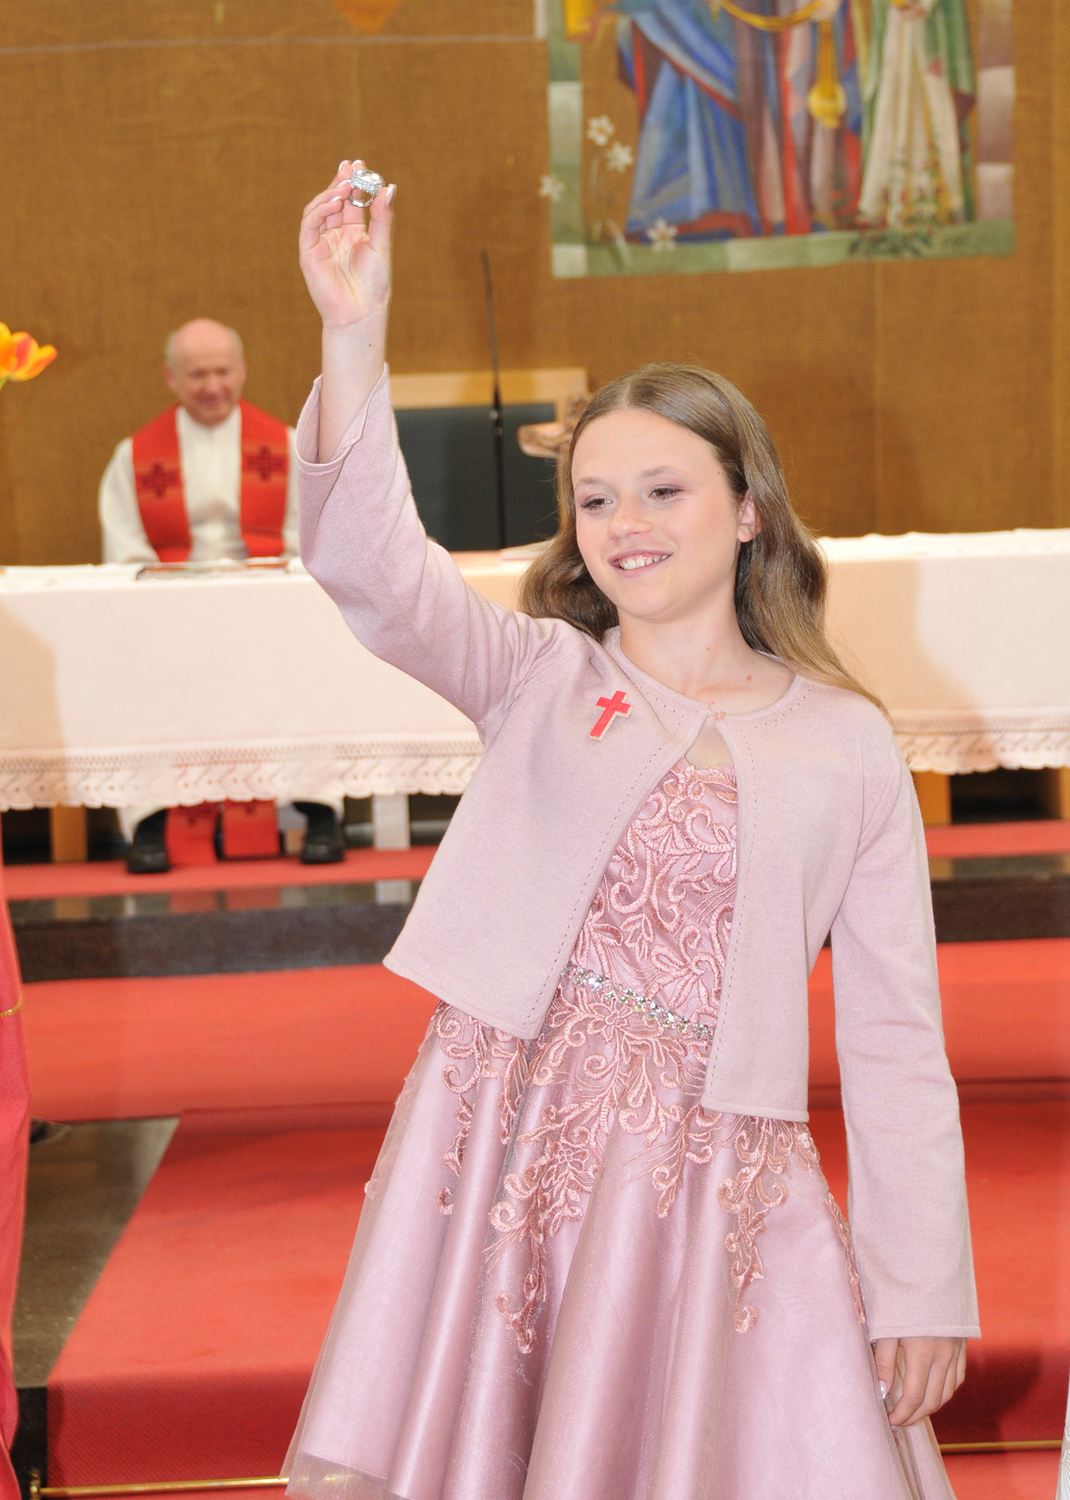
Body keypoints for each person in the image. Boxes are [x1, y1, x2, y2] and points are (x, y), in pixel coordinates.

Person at [283, 162, 977, 1500]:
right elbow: (371, 568)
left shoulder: (841, 741)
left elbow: (895, 1039)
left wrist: (919, 1286)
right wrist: (350, 334)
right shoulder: (539, 675)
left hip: (714, 1170)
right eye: (594, 499)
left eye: (662, 490)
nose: (622, 527)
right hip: (505, 1136)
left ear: (748, 507)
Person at [99, 319, 344, 871]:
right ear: (171, 378)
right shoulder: (134, 456)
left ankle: (320, 812)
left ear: (243, 371)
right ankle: (151, 823)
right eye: (197, 375)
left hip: (264, 608)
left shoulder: (285, 446)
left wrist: (262, 589)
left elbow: (307, 539)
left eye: (222, 372)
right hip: (171, 614)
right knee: (135, 673)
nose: (213, 386)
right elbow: (126, 551)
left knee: (311, 659)